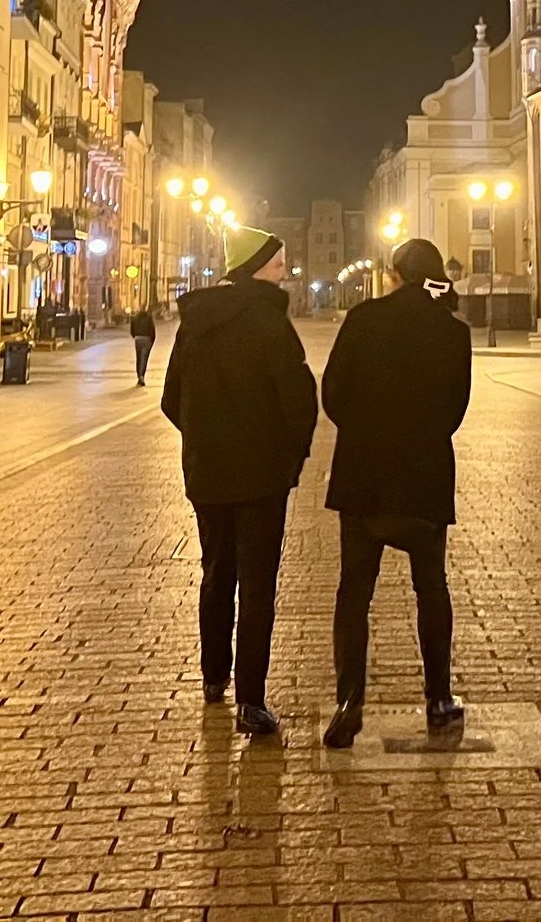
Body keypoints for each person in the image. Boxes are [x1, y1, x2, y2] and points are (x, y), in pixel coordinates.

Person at [160, 225, 316, 739]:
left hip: (208, 473)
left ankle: (212, 678)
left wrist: (206, 439)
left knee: (216, 571)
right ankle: (251, 698)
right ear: (254, 269)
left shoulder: (195, 323)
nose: (285, 272)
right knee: (257, 584)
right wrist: (288, 456)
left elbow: (170, 399)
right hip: (262, 477)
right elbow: (299, 400)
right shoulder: (270, 324)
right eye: (278, 264)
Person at [316, 237, 472, 749]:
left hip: (363, 472)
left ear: (394, 274)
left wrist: (365, 428)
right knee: (431, 587)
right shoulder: (453, 332)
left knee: (354, 592)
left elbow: (333, 393)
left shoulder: (363, 320)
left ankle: (350, 699)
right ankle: (439, 698)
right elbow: (455, 411)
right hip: (424, 473)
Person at [127, 302, 158, 386]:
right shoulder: (149, 318)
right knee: (144, 359)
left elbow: (131, 330)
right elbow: (152, 330)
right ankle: (142, 376)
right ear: (146, 308)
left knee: (139, 358)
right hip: (147, 339)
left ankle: (139, 376)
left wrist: (135, 337)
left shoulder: (135, 317)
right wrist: (152, 340)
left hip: (138, 339)